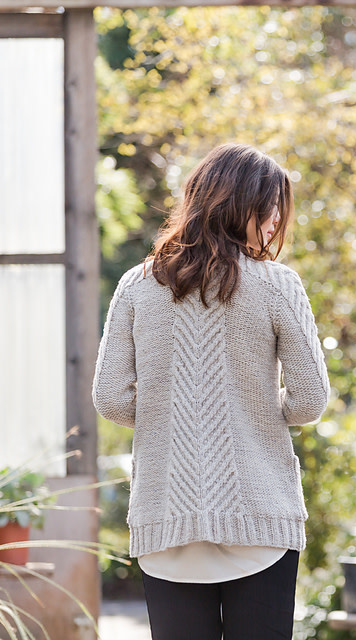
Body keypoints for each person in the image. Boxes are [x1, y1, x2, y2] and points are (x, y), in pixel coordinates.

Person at [92, 143, 330, 640]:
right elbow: (309, 400)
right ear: (240, 205)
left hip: (167, 526)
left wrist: (174, 413)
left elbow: (111, 397)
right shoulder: (277, 284)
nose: (275, 223)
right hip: (259, 524)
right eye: (270, 210)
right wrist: (250, 409)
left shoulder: (137, 285)